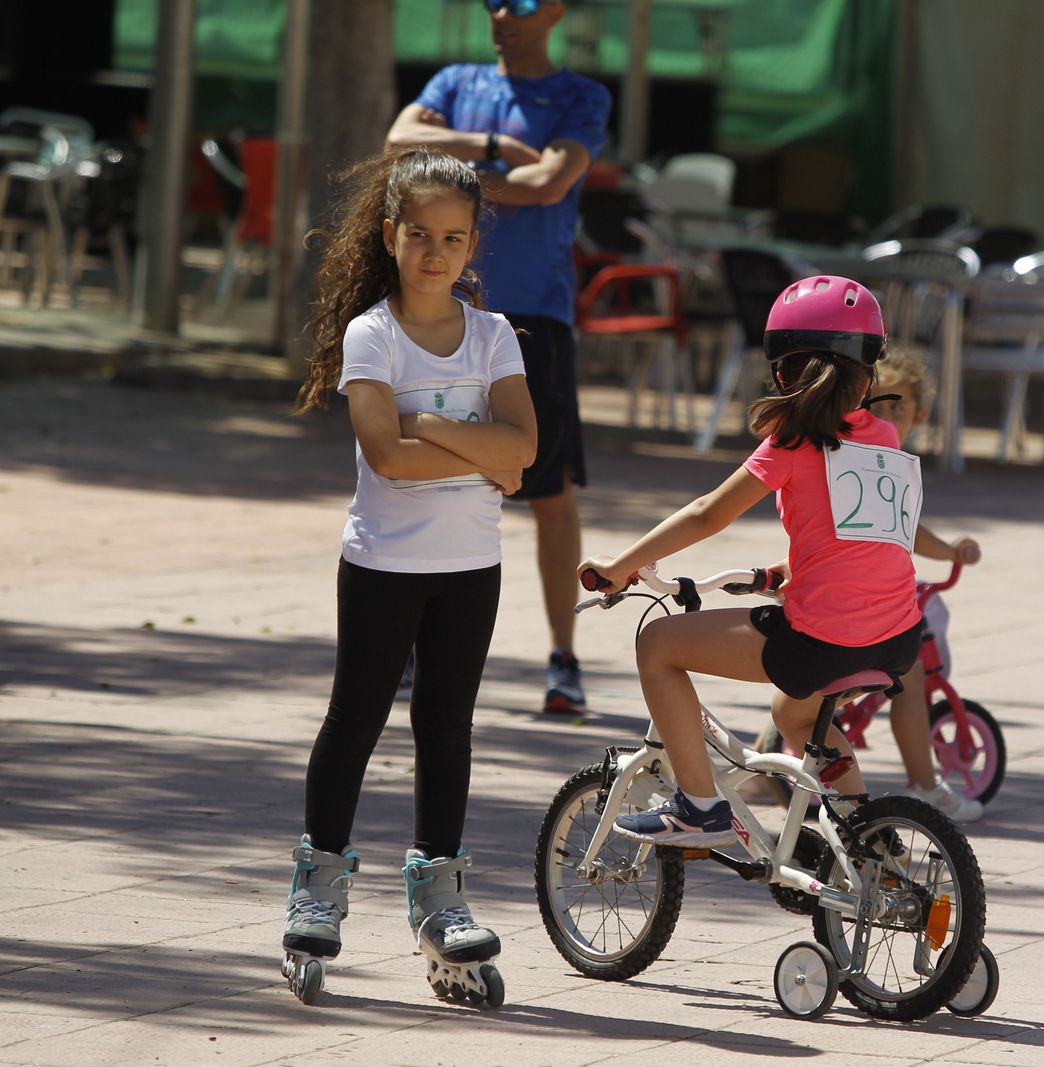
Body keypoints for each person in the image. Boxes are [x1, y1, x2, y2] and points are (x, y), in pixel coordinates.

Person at [282, 148, 537, 1000]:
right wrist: (476, 448)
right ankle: (319, 884)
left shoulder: (494, 335)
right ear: (391, 234)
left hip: (472, 567)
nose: (436, 252)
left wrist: (427, 416)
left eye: (454, 238)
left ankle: (440, 898)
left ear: (472, 248)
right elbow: (386, 457)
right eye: (420, 234)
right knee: (354, 718)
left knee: (447, 728)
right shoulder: (372, 334)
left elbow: (526, 451)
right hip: (385, 563)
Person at [578, 276, 924, 845]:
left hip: (823, 639)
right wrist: (794, 568)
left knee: (658, 645)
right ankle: (865, 832)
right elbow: (862, 534)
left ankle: (697, 807)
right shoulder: (882, 435)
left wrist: (622, 564)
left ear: (785, 372)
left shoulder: (792, 438)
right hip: (897, 637)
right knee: (794, 714)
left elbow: (708, 514)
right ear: (868, 374)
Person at [387, 0, 611, 714]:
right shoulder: (457, 80)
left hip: (531, 321)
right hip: (440, 314)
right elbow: (396, 142)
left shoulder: (582, 96)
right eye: (491, 1)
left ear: (556, 11)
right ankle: (413, 650)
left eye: (518, 3)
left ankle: (563, 657)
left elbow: (549, 184)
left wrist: (447, 181)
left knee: (548, 492)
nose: (502, 14)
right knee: (423, 475)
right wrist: (494, 147)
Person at [865, 350, 984, 822]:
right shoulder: (876, 463)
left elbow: (909, 531)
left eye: (899, 408)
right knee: (909, 677)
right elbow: (903, 532)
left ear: (920, 415)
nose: (888, 416)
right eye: (878, 405)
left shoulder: (885, 462)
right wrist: (949, 551)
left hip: (869, 589)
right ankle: (925, 785)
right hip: (865, 596)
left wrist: (950, 550)